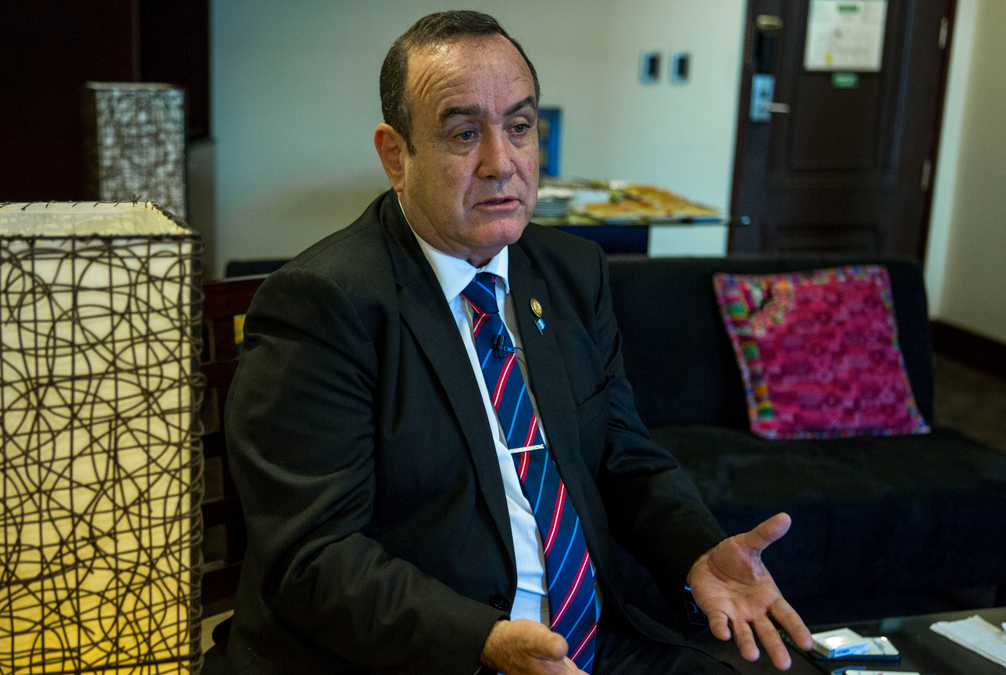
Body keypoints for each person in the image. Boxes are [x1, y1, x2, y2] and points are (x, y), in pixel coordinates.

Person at [223, 10, 812, 675]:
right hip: (432, 653)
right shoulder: (324, 304)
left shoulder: (571, 271)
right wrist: (482, 640)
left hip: (590, 639)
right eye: (464, 132)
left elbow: (623, 455)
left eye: (521, 127)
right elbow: (312, 555)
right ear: (396, 154)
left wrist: (696, 550)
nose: (502, 163)